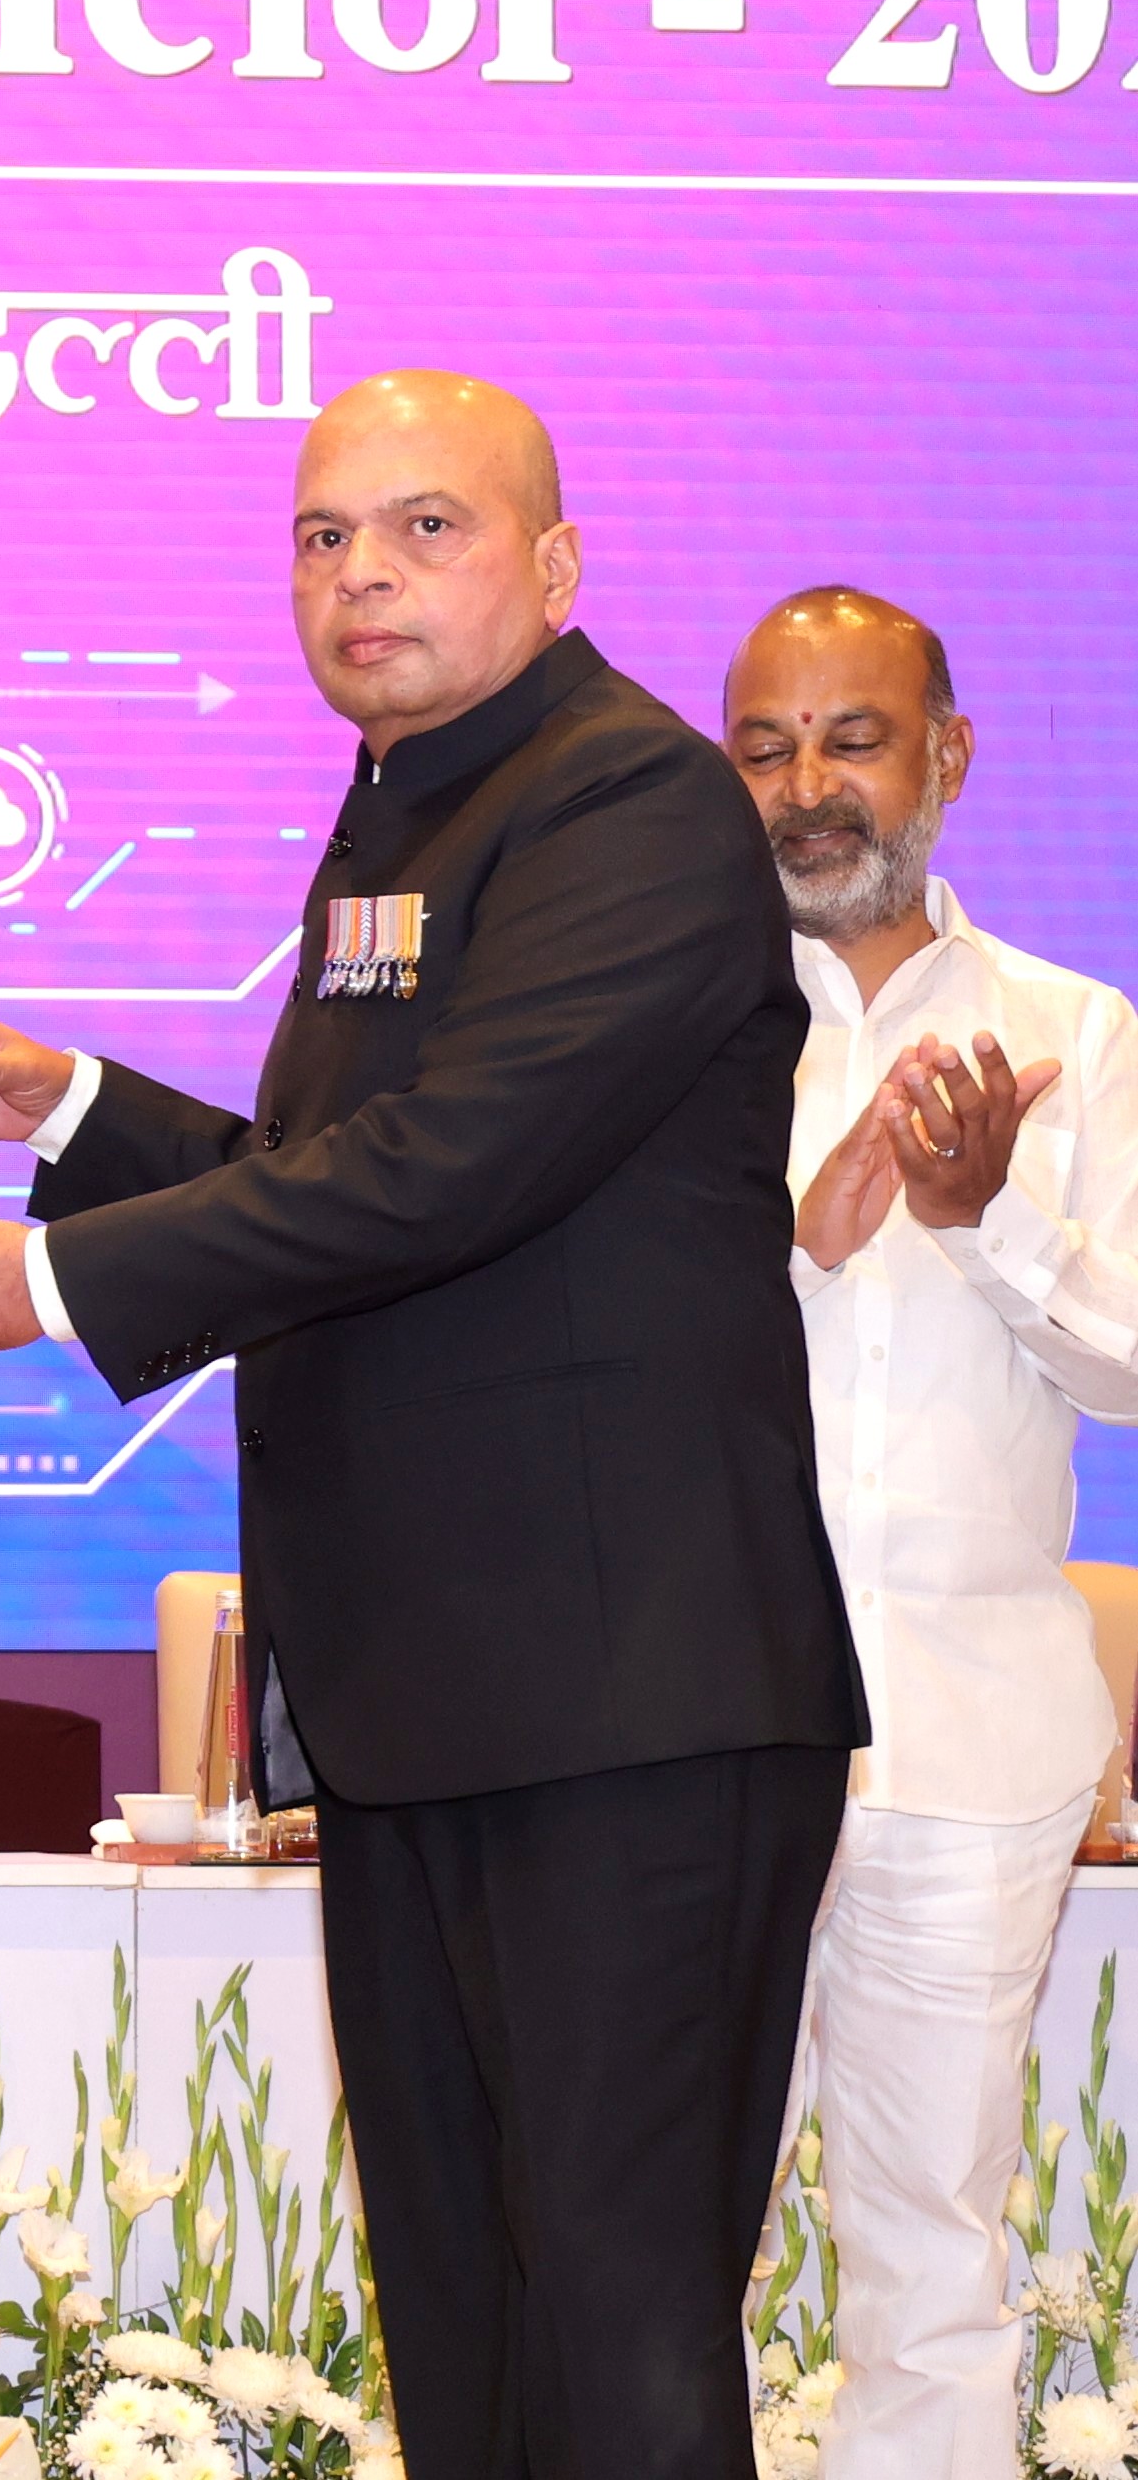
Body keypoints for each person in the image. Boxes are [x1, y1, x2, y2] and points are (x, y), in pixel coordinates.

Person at [0, 373, 866, 2479]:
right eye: (321, 536)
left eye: (422, 527)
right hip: (440, 1699)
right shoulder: (413, 804)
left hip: (623, 1703)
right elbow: (343, 1180)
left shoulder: (628, 799)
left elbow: (441, 1175)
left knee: (618, 2336)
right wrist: (67, 1103)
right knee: (464, 2315)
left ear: (553, 566)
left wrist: (30, 1283)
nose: (362, 574)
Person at [728, 585, 1138, 2478]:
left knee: (930, 2264)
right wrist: (794, 1243)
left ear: (949, 755)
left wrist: (984, 1221)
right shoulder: (669, 1029)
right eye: (762, 749)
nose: (806, 787)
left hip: (969, 1746)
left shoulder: (1074, 1031)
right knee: (659, 2258)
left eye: (851, 739)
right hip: (698, 1737)